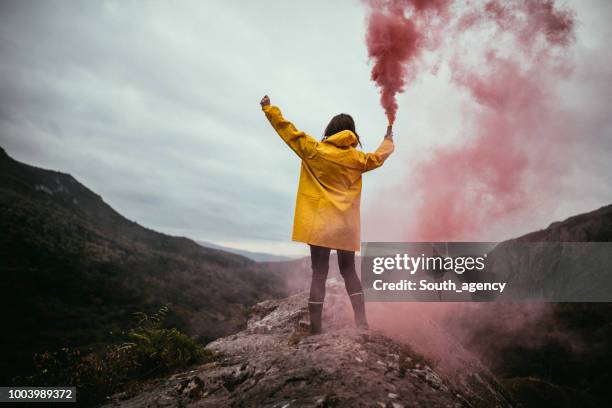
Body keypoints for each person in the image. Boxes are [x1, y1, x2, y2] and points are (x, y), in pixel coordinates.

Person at [260, 95, 394, 334]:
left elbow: (288, 131)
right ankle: (362, 324)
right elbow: (379, 157)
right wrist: (388, 140)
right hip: (345, 226)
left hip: (320, 224)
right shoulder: (358, 159)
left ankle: (316, 328)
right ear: (352, 133)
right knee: (349, 271)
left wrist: (269, 109)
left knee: (319, 273)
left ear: (330, 130)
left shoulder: (314, 150)